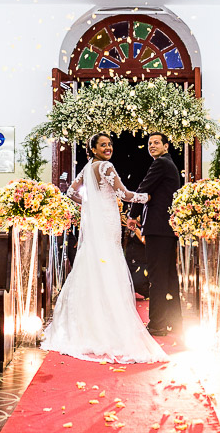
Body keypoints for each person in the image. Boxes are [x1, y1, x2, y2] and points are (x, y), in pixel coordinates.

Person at [42, 132, 166, 363]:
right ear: (93, 149)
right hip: (107, 223)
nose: (108, 148)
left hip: (96, 224)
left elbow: (70, 192)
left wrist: (90, 204)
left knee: (92, 265)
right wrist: (148, 197)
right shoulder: (106, 166)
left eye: (110, 144)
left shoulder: (88, 167)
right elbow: (125, 194)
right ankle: (108, 326)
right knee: (109, 265)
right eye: (103, 145)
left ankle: (86, 324)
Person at [127, 133, 182, 336]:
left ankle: (157, 324)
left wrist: (132, 215)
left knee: (158, 278)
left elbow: (144, 189)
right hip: (165, 229)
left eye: (156, 143)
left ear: (166, 146)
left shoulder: (161, 164)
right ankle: (174, 323)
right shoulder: (168, 164)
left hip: (158, 229)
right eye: (149, 143)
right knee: (168, 278)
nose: (152, 146)